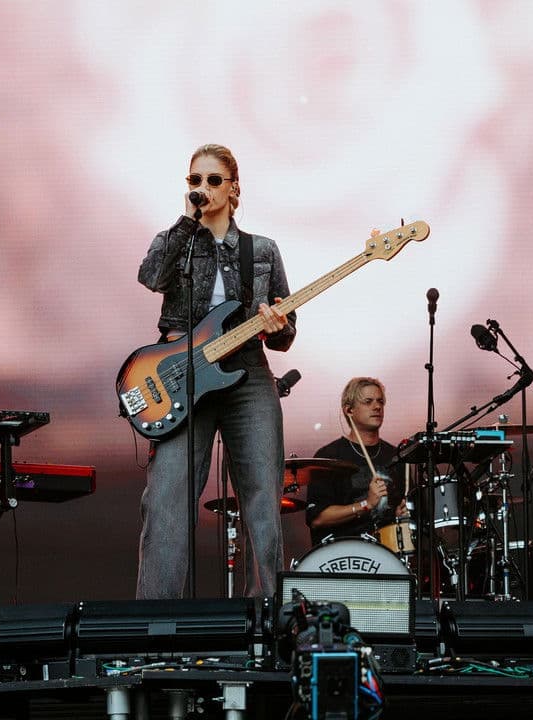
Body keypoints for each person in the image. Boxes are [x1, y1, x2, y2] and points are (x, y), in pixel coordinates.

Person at [136, 143, 296, 599]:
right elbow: (152, 278)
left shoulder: (262, 250)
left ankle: (265, 618)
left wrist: (278, 325)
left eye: (212, 180)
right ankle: (154, 621)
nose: (202, 187)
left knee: (263, 501)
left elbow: (286, 333)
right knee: (167, 501)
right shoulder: (173, 239)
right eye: (194, 180)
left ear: (234, 190)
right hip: (182, 375)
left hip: (247, 373)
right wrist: (187, 222)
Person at [306, 377, 405, 546]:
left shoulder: (397, 456)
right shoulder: (329, 456)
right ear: (349, 410)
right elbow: (318, 519)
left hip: (389, 551)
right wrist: (366, 504)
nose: (377, 407)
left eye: (380, 401)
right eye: (368, 401)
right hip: (345, 553)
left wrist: (402, 514)